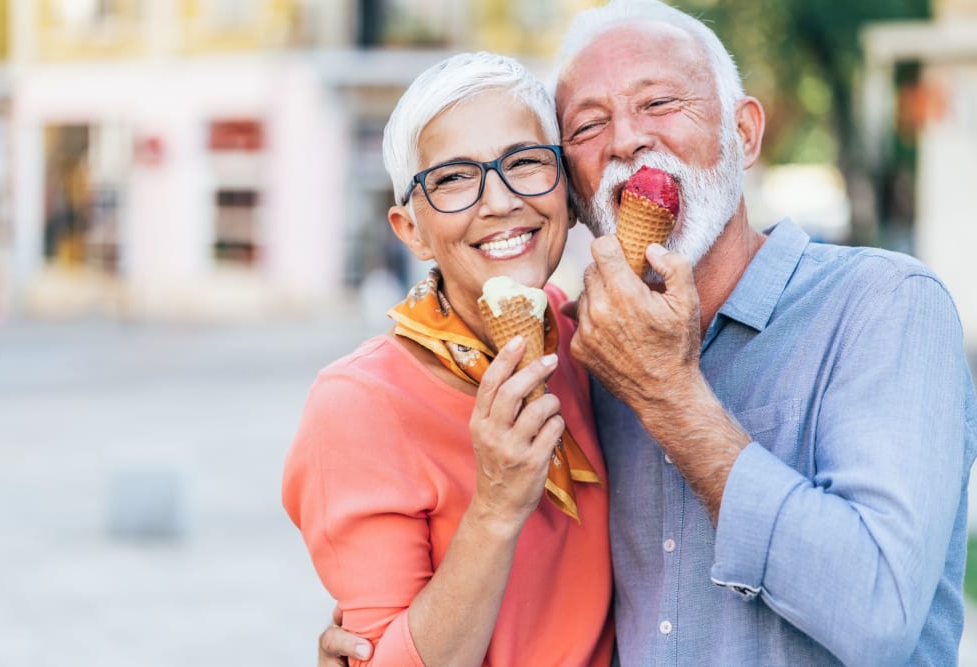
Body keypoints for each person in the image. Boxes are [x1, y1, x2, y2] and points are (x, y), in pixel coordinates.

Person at [318, 1, 977, 665]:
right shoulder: (579, 351)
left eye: (659, 102)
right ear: (574, 192)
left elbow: (881, 613)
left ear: (745, 134)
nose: (627, 140)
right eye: (589, 124)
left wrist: (669, 396)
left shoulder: (884, 306)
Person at [282, 52, 614, 666]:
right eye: (455, 178)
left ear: (566, 191)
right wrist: (495, 504)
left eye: (525, 162)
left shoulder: (593, 341)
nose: (500, 200)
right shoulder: (359, 404)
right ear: (410, 229)